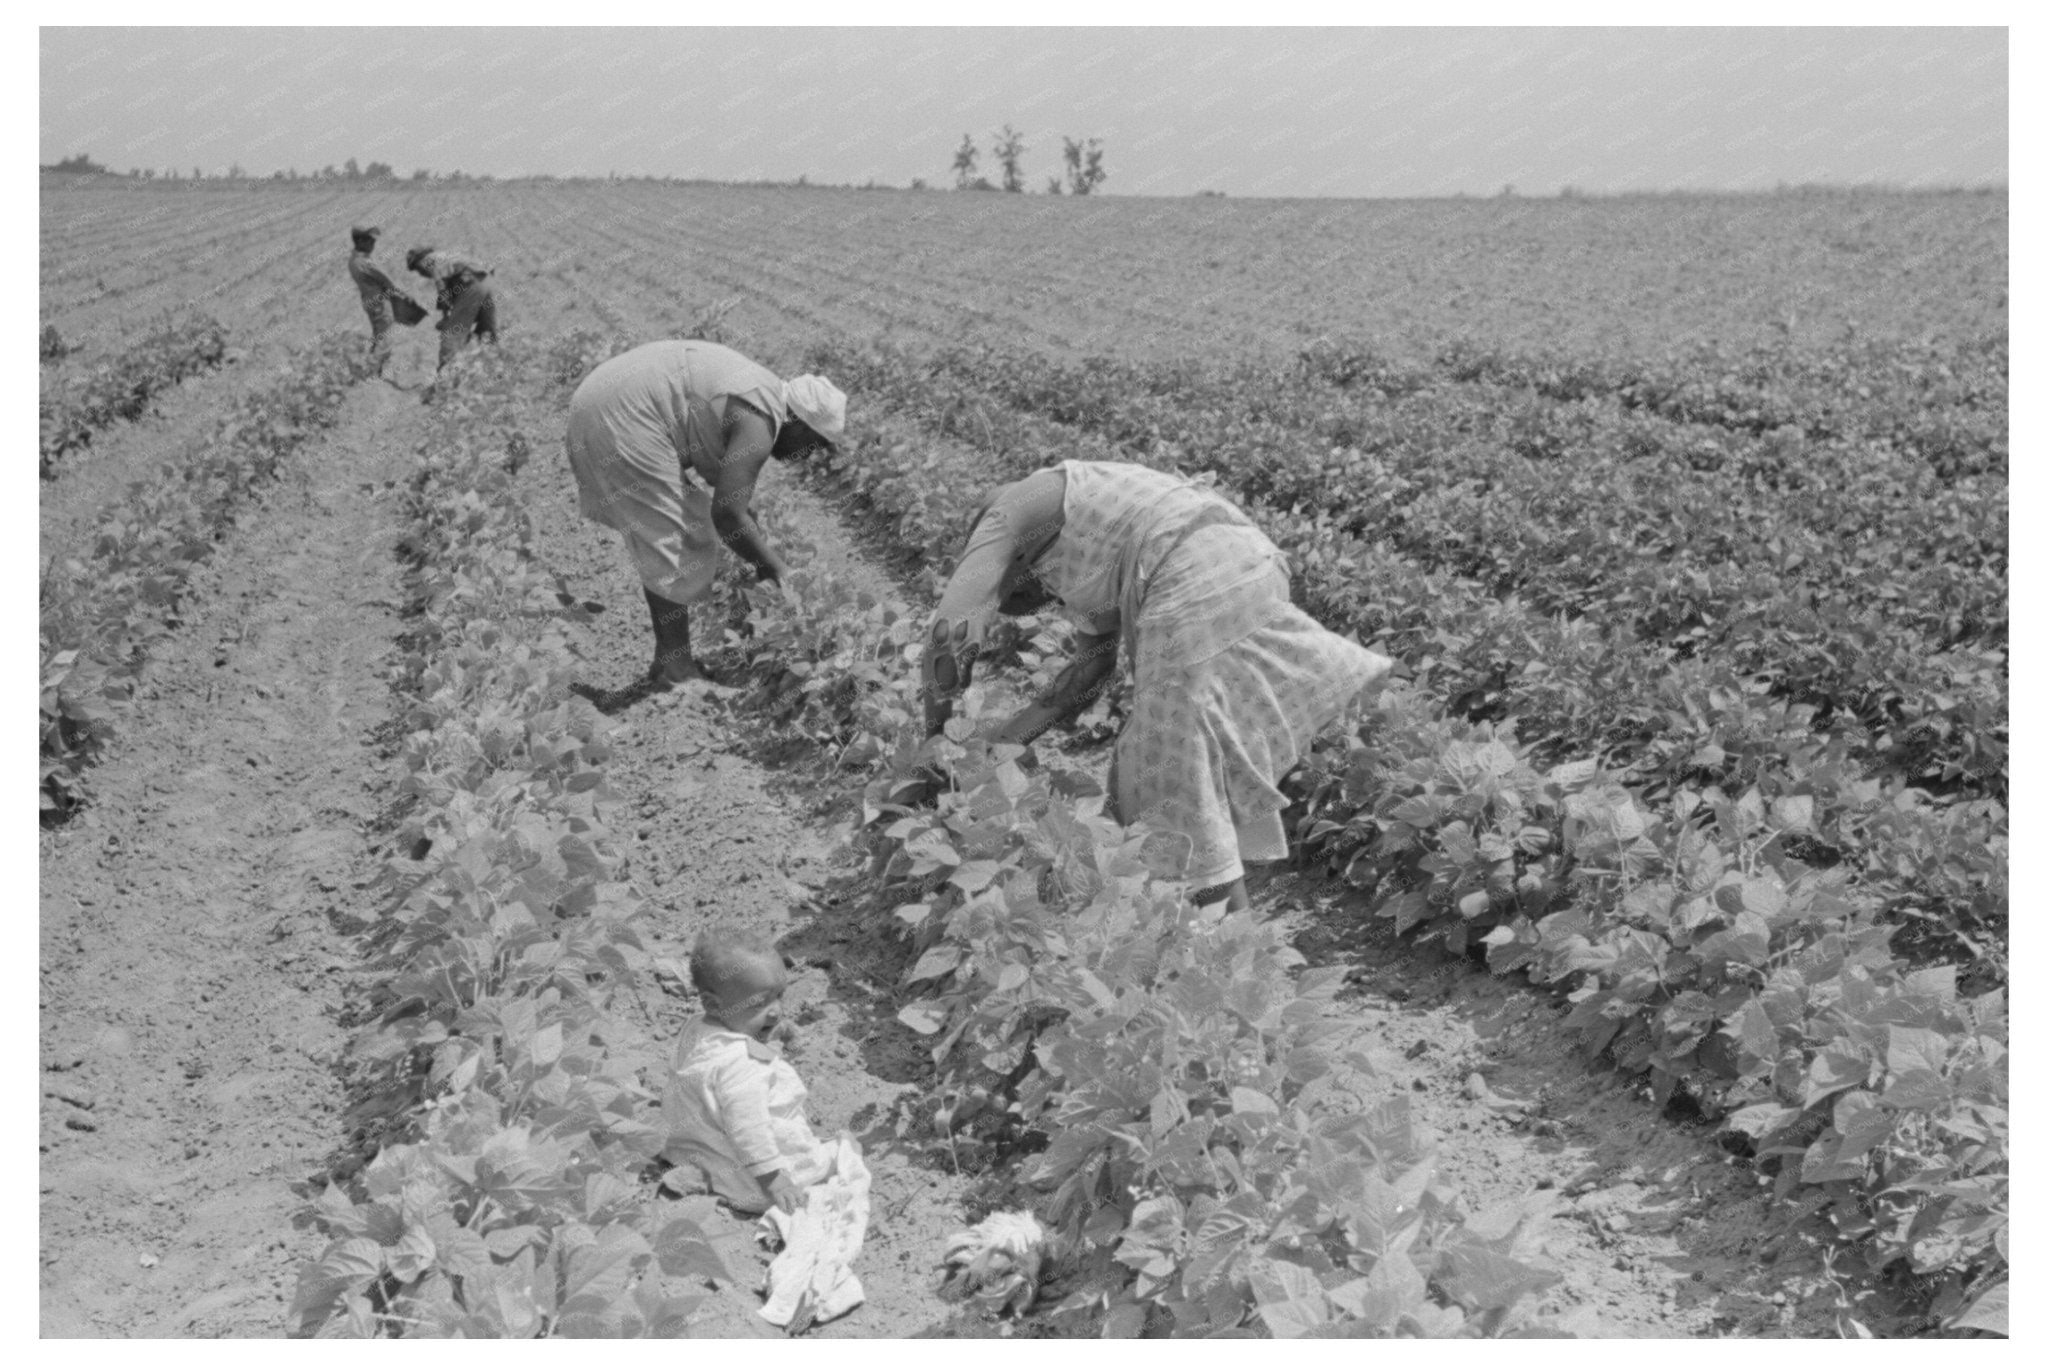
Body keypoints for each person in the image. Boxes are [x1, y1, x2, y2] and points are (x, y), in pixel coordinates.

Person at [921, 460, 1394, 914]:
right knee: (1169, 764)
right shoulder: (1083, 547)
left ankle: (1229, 948)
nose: (1029, 599)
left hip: (1192, 570)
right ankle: (1184, 927)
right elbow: (1087, 675)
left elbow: (951, 633)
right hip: (1240, 561)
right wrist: (1003, 745)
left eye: (1015, 590)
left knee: (1166, 777)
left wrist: (940, 750)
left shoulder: (1015, 508)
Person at [564, 340, 846, 686]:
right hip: (621, 417)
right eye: (814, 442)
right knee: (673, 534)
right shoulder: (758, 420)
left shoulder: (760, 394)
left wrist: (758, 558)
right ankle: (676, 670)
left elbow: (735, 503)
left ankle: (667, 663)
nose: (811, 454)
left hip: (606, 404)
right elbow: (727, 513)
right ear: (797, 421)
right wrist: (776, 570)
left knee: (678, 526)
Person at [660, 929, 822, 1217]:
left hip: (694, 1147)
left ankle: (701, 1176)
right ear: (713, 1003)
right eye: (760, 1003)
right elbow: (748, 1125)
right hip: (753, 1183)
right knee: (831, 1159)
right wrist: (775, 1179)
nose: (776, 1011)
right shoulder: (742, 1063)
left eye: (779, 996)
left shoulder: (697, 1028)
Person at [404, 245, 497, 368]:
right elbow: (447, 292)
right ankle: (492, 364)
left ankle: (446, 376)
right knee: (486, 330)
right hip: (486, 281)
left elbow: (441, 288)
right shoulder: (448, 257)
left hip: (471, 283)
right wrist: (445, 316)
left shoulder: (429, 260)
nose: (420, 273)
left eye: (417, 268)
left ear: (420, 260)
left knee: (452, 333)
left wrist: (448, 321)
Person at [343, 225, 417, 375]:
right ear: (361, 242)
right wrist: (404, 296)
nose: (373, 245)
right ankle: (372, 372)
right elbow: (386, 281)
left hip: (369, 301)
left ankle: (372, 367)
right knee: (384, 339)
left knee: (378, 334)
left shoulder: (354, 259)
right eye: (370, 242)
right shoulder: (364, 263)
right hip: (379, 303)